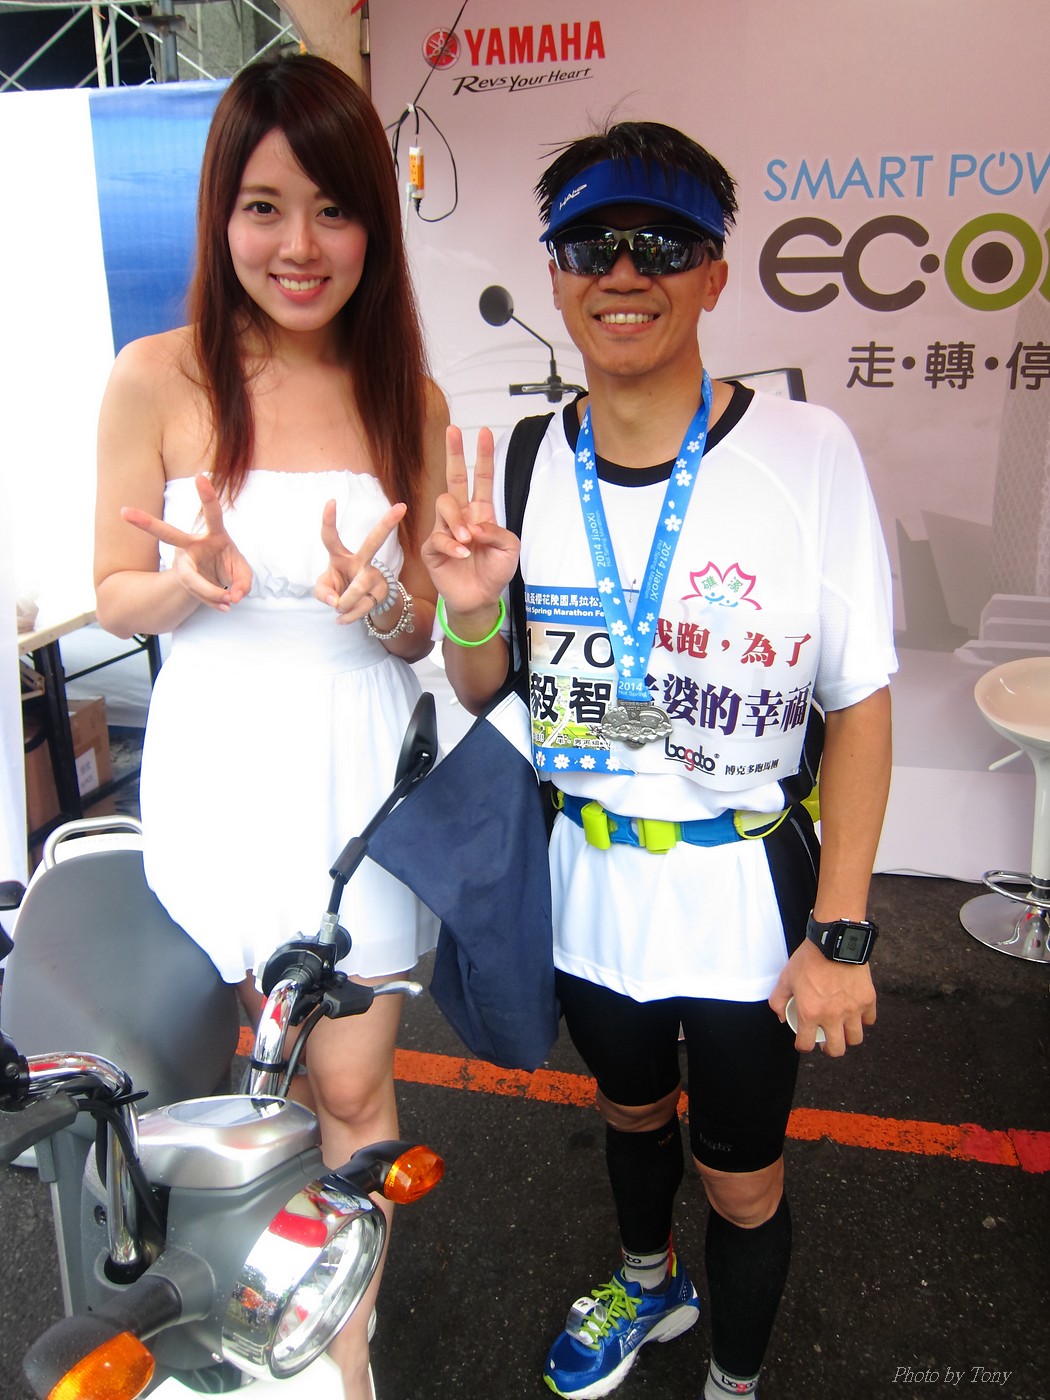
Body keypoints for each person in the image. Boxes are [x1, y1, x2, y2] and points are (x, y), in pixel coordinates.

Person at [423, 121, 896, 1399]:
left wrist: (842, 930)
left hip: (746, 893)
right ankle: (648, 1281)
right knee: (629, 1114)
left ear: (714, 270)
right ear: (555, 269)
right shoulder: (528, 459)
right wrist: (470, 610)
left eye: (662, 243)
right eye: (592, 244)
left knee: (742, 1179)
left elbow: (859, 703)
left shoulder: (807, 452)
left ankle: (734, 1380)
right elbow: (497, 690)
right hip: (591, 885)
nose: (624, 271)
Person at [94, 52, 448, 1400]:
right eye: (263, 206)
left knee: (348, 1090)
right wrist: (184, 583)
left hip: (356, 780)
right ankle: (237, 1328)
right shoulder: (156, 377)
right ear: (220, 214)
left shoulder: (406, 393)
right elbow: (114, 588)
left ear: (373, 224)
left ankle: (342, 1341)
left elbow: (421, 629)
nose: (299, 246)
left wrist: (386, 604)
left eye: (333, 208)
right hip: (215, 772)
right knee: (232, 1092)